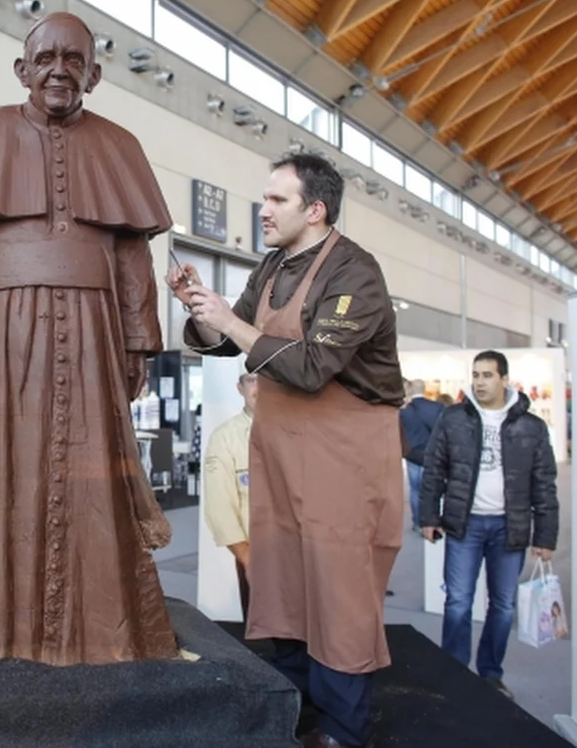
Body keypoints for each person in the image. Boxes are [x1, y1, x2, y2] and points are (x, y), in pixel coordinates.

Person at [0, 11, 179, 671]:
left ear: (95, 75)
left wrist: (138, 338)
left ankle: (100, 631)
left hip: (93, 327)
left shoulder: (118, 144)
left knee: (94, 473)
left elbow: (131, 252)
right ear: (22, 69)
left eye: (74, 60)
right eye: (47, 58)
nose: (60, 70)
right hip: (4, 329)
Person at [171, 153, 404, 748]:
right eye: (265, 198)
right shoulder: (273, 266)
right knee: (284, 584)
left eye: (277, 200)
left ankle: (344, 729)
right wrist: (201, 309)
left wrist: (230, 320)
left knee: (339, 594)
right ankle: (297, 711)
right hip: (279, 454)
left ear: (316, 209)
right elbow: (229, 342)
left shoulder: (355, 272)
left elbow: (311, 366)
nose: (264, 210)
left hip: (342, 458)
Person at [419, 350, 559, 700]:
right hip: (464, 526)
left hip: (508, 528)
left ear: (504, 379)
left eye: (487, 375)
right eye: (476, 375)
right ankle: (454, 672)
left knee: (503, 605)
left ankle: (491, 673)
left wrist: (545, 536)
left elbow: (544, 484)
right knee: (458, 602)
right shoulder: (453, 418)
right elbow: (434, 469)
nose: (480, 382)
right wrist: (429, 517)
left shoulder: (531, 426)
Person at [203, 372, 258, 619]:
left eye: (267, 379)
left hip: (302, 552)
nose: (260, 388)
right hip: (255, 552)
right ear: (240, 388)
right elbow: (220, 504)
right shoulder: (225, 437)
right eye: (252, 380)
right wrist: (246, 557)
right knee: (263, 634)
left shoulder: (300, 431)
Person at [400, 379, 444, 532]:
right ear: (424, 389)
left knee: (415, 489)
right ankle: (430, 520)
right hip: (431, 452)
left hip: (412, 453)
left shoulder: (405, 409)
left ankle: (417, 521)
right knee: (430, 488)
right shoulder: (437, 407)